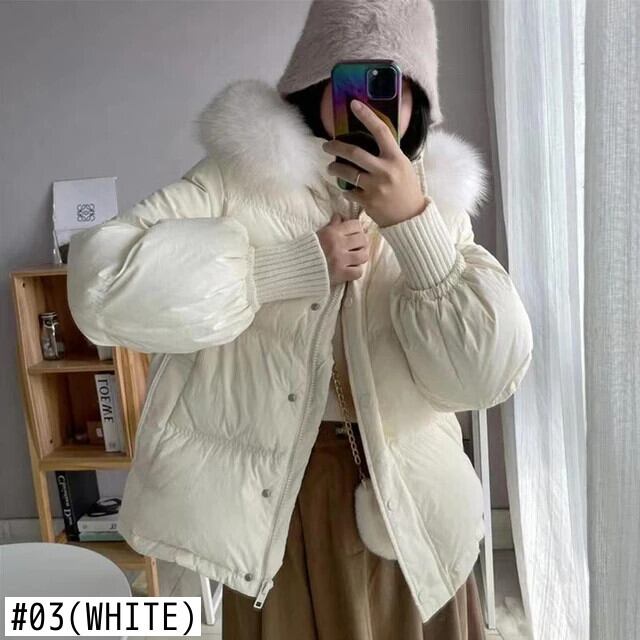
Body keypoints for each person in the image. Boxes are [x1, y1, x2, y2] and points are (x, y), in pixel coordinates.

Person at [66, 1, 533, 638]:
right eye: (351, 80)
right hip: (271, 501)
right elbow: (101, 284)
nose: (368, 105)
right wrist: (282, 268)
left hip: (410, 501)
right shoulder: (240, 176)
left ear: (420, 99)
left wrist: (413, 225)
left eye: (391, 84)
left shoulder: (436, 201)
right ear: (315, 81)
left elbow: (486, 375)